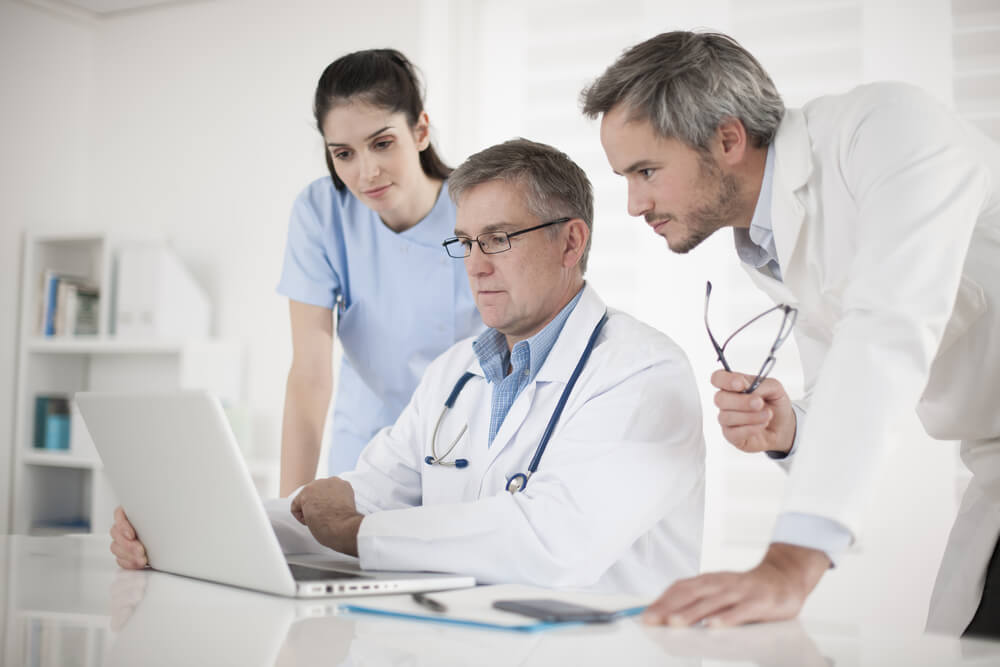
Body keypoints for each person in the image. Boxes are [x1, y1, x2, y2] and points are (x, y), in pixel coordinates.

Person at [110, 138, 706, 596]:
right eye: (464, 241)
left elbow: (557, 542)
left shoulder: (642, 372)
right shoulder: (456, 372)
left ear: (570, 242)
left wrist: (360, 533)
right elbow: (372, 490)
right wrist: (190, 528)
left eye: (496, 239)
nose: (473, 265)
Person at [581, 30, 1000, 634]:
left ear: (728, 139)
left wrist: (789, 564)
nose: (633, 204)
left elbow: (890, 328)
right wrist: (792, 428)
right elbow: (846, 377)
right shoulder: (769, 242)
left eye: (646, 170)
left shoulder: (888, 131)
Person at [276, 48, 482, 492]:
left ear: (420, 130)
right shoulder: (322, 212)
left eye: (382, 143)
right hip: (365, 454)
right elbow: (310, 374)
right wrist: (286, 512)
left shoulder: (478, 209)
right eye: (343, 154)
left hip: (467, 449)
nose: (366, 171)